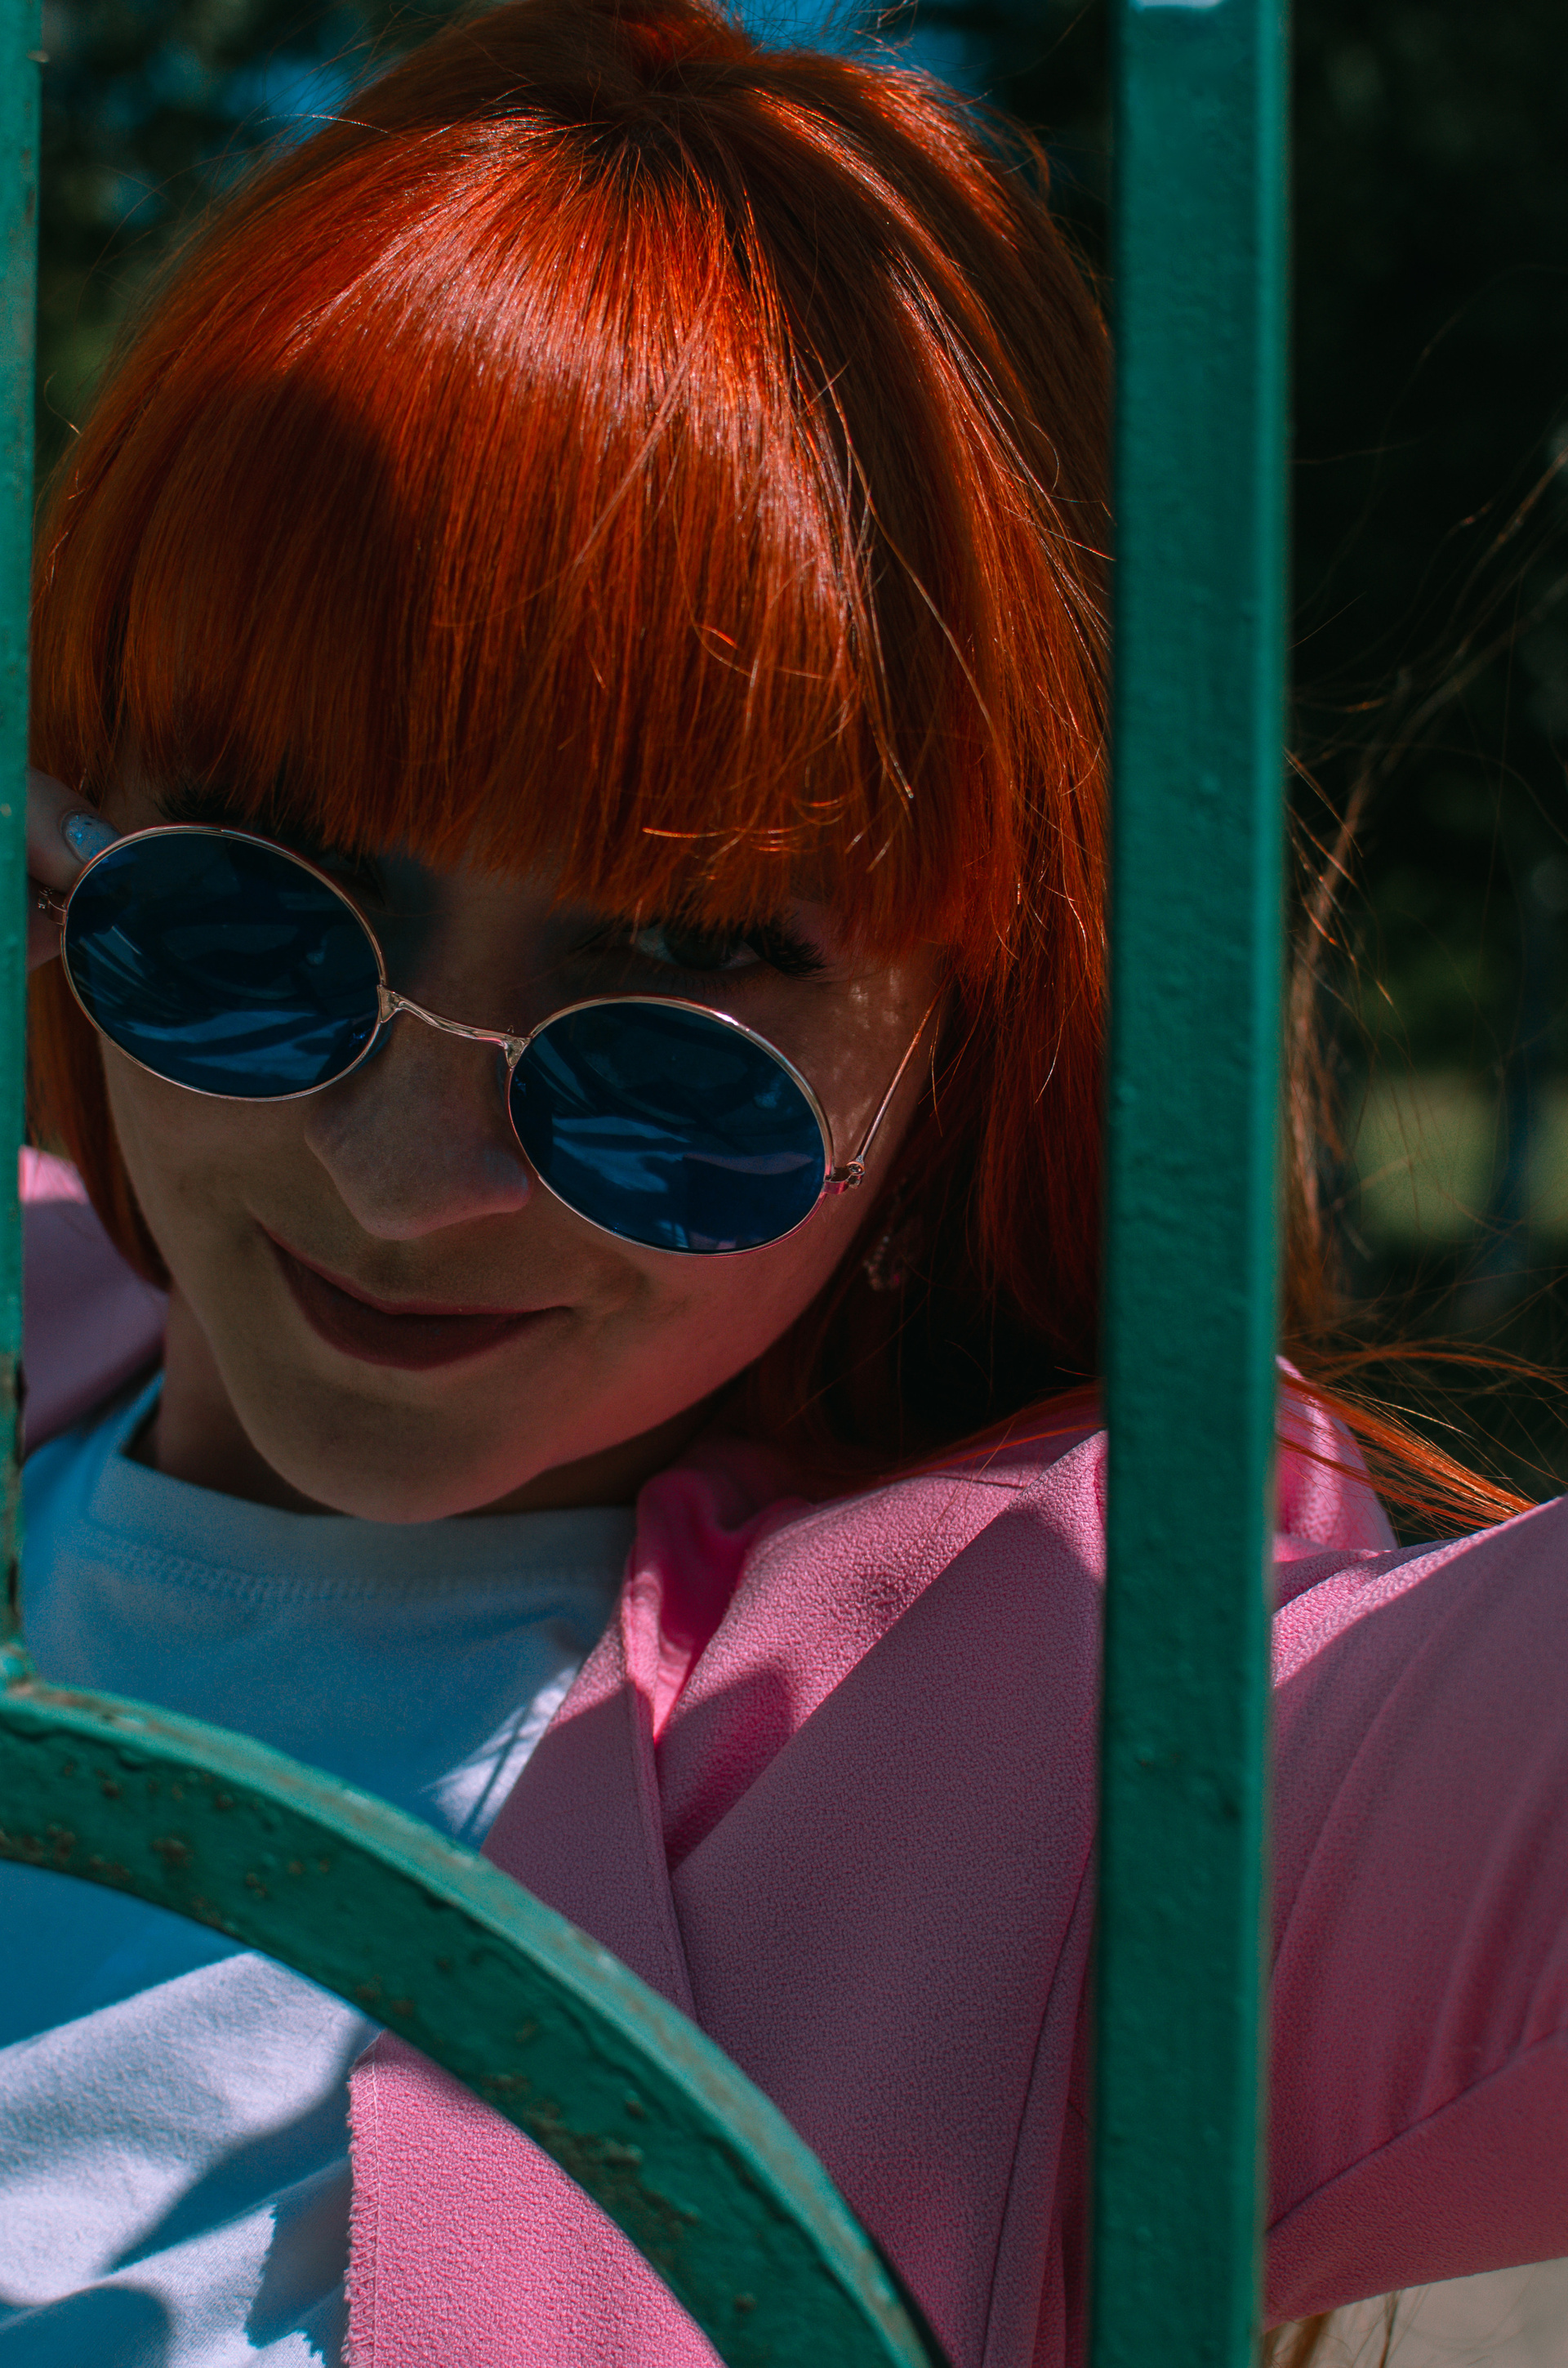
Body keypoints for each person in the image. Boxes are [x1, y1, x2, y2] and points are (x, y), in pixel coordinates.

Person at [3, 2, 1566, 2363]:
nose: (409, 1181)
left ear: (965, 1033)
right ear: (71, 829)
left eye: (685, 995)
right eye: (252, 914)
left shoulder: (1085, 1729)